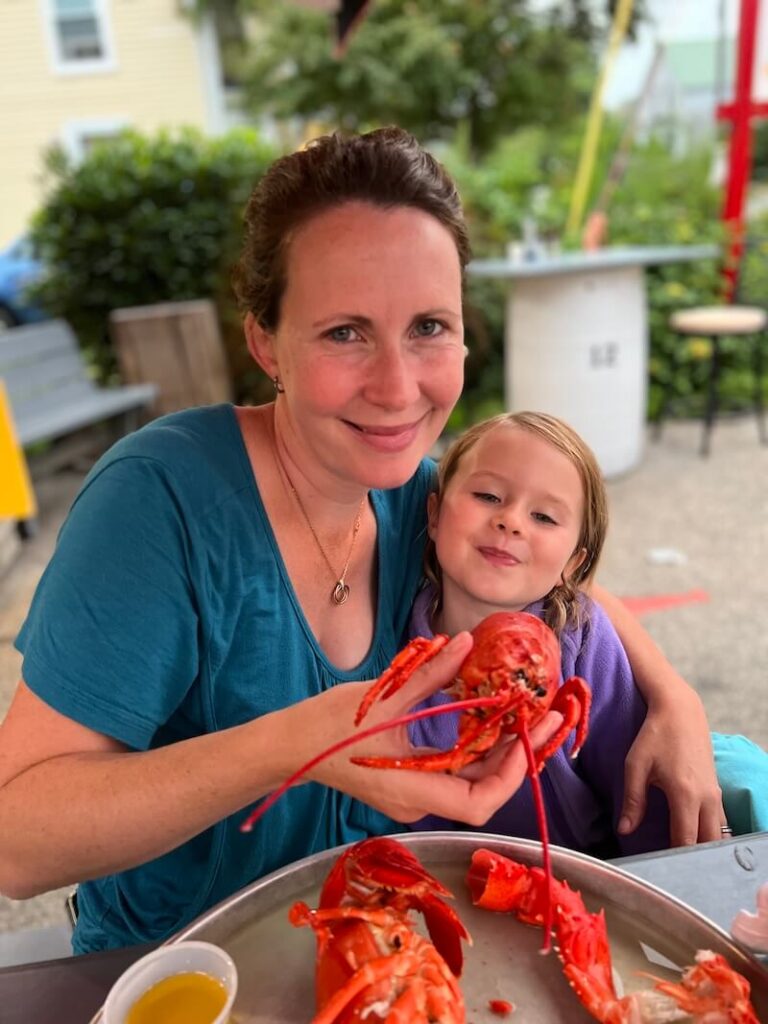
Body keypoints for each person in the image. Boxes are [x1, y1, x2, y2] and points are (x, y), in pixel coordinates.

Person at [0, 127, 722, 955]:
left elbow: (559, 583)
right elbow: (15, 842)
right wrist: (297, 744)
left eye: (429, 327)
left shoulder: (424, 493)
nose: (397, 388)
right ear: (265, 342)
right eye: (345, 332)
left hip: (380, 948)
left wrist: (675, 699)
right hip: (180, 967)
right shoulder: (160, 500)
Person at [405, 410, 671, 857]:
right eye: (488, 495)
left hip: (590, 878)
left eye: (545, 517)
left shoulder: (583, 641)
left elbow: (637, 797)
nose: (511, 521)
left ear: (573, 563)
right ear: (434, 516)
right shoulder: (403, 661)